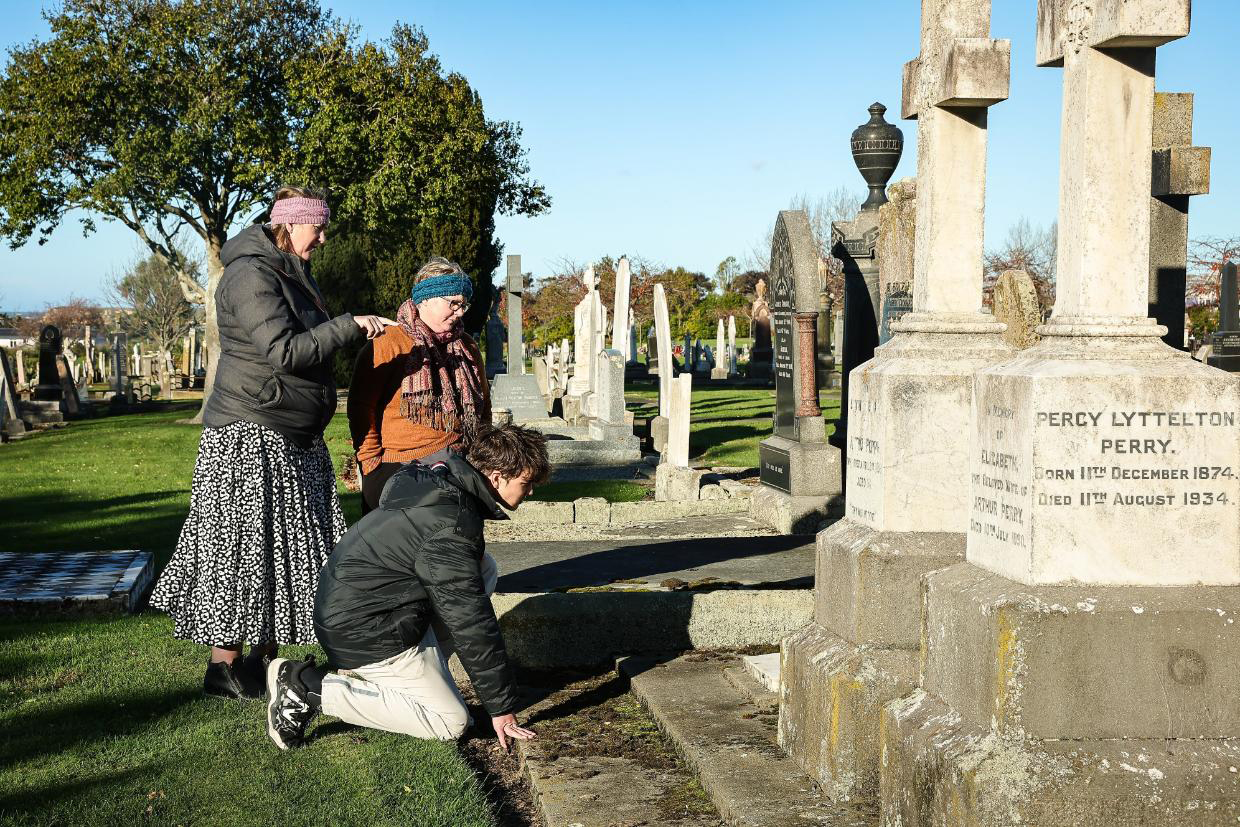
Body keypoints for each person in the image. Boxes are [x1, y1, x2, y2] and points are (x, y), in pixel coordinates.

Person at [150, 185, 395, 701]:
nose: (323, 239)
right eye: (318, 228)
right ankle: (222, 667)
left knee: (280, 551)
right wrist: (349, 325)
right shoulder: (250, 274)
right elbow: (284, 351)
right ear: (290, 224)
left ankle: (262, 657)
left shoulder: (290, 270)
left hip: (289, 432)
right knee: (240, 550)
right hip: (249, 431)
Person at [263, 423, 551, 751]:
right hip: (362, 630)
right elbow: (469, 620)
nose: (531, 492)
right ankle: (304, 686)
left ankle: (409, 681)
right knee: (450, 721)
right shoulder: (450, 525)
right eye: (526, 482)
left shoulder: (440, 483)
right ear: (497, 476)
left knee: (484, 567)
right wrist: (501, 708)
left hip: (372, 608)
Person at [348, 257, 490, 515]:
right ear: (425, 299)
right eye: (454, 303)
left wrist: (481, 456)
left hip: (458, 463)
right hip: (400, 465)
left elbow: (484, 406)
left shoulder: (467, 347)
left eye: (464, 305)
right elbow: (361, 408)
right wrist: (370, 463)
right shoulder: (389, 343)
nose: (460, 312)